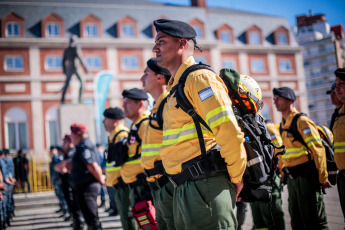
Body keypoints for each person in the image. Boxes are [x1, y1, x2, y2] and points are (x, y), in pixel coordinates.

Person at [152, 19, 247, 229]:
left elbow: (228, 131)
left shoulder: (200, 79)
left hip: (205, 186)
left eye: (162, 41)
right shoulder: (177, 87)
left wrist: (237, 176)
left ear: (182, 44)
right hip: (185, 188)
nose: (155, 48)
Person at [273, 86, 331, 229]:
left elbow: (318, 150)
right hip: (293, 180)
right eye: (274, 99)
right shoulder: (282, 124)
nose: (274, 102)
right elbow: (284, 153)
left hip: (307, 178)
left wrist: (323, 178)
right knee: (296, 221)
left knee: (315, 221)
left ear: (288, 100)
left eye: (277, 99)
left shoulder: (302, 121)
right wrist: (281, 173)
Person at [140, 58, 175, 229]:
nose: (142, 79)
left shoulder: (168, 104)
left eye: (146, 74)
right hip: (157, 185)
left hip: (168, 183)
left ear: (160, 77)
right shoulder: (157, 106)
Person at [119, 88, 150, 230]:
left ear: (140, 104)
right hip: (137, 186)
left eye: (127, 103)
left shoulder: (145, 124)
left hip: (145, 185)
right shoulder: (136, 125)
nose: (123, 106)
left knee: (150, 223)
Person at [68, 123, 105, 230]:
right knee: (90, 220)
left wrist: (101, 179)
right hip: (83, 187)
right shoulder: (80, 146)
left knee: (92, 219)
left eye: (72, 135)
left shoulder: (85, 145)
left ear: (77, 135)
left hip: (87, 188)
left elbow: (92, 165)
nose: (71, 138)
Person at [250, 122, 285, 230]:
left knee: (272, 216)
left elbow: (279, 150)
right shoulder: (245, 127)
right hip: (254, 180)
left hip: (269, 177)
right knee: (259, 220)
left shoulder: (267, 128)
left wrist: (282, 170)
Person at [102, 107, 129, 218]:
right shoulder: (113, 136)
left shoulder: (121, 135)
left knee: (128, 219)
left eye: (106, 119)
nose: (103, 122)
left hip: (123, 184)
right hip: (118, 184)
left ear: (115, 122)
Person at [332, 68, 345, 223]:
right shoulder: (340, 113)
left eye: (342, 84)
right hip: (342, 175)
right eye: (336, 84)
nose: (337, 88)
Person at [61, 35, 89, 104]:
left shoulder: (67, 49)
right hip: (75, 66)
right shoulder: (76, 47)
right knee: (82, 82)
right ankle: (80, 100)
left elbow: (63, 61)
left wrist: (64, 70)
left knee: (67, 83)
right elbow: (80, 57)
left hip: (69, 66)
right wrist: (85, 68)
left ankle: (62, 100)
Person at [49, 146, 68, 216]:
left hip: (58, 179)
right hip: (56, 179)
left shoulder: (57, 158)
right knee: (59, 194)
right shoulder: (53, 159)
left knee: (62, 195)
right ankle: (63, 208)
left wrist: (60, 179)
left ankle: (66, 210)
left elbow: (59, 169)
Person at [96, 144, 106, 209]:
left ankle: (104, 201)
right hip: (101, 172)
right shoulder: (99, 154)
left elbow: (103, 163)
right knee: (102, 189)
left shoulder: (101, 154)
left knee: (103, 189)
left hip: (103, 172)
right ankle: (103, 201)